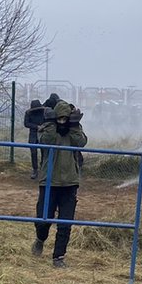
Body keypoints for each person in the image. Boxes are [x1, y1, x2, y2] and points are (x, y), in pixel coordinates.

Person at [31, 101, 87, 268]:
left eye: (66, 118)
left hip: (70, 183)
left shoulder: (74, 130)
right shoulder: (49, 129)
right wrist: (50, 124)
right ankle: (40, 239)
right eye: (60, 118)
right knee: (43, 219)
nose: (63, 121)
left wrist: (75, 125)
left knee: (65, 223)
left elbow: (81, 142)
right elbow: (44, 141)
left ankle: (58, 257)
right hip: (49, 182)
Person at [23, 99, 46, 180]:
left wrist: (43, 126)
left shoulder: (44, 112)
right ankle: (35, 170)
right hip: (33, 134)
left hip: (43, 133)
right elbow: (26, 123)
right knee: (33, 152)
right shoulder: (28, 113)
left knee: (44, 151)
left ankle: (43, 169)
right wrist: (36, 127)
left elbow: (48, 121)